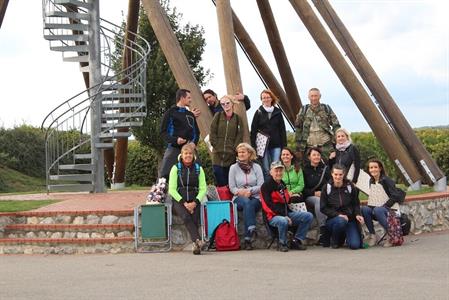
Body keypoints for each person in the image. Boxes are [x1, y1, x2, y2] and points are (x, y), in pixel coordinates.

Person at [261, 161, 313, 252]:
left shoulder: (282, 184)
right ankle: (282, 243)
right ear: (271, 172)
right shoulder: (266, 186)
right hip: (272, 216)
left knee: (308, 216)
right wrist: (283, 215)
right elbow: (267, 205)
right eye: (276, 171)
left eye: (280, 171)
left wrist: (292, 196)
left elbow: (286, 201)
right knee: (283, 220)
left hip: (286, 213)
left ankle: (296, 240)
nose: (278, 173)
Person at [168, 143, 207, 255]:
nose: (188, 155)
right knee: (186, 216)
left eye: (190, 153)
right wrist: (184, 203)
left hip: (195, 199)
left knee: (194, 218)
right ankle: (198, 241)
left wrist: (195, 202)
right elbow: (172, 189)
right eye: (186, 153)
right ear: (182, 155)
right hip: (179, 200)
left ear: (193, 155)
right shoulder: (175, 168)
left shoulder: (199, 169)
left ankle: (196, 245)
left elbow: (203, 188)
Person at [361, 159, 405, 247]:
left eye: (375, 167)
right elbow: (374, 197)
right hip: (378, 209)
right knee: (365, 209)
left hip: (391, 209)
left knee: (378, 210)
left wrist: (384, 206)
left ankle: (391, 236)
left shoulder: (386, 180)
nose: (373, 169)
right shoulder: (371, 181)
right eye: (371, 168)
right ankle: (373, 235)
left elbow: (395, 196)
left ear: (380, 168)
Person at [228, 143, 264, 250]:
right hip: (239, 198)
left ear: (249, 153)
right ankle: (251, 231)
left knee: (249, 205)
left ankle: (248, 239)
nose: (241, 154)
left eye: (243, 152)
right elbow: (232, 187)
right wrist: (241, 192)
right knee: (246, 203)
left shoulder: (256, 167)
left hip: (255, 197)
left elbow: (261, 185)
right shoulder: (233, 168)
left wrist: (250, 191)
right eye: (239, 152)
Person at [320, 164, 364, 249]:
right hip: (334, 220)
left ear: (344, 175)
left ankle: (347, 236)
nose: (338, 177)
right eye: (336, 174)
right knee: (341, 221)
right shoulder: (327, 187)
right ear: (332, 174)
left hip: (350, 219)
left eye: (340, 174)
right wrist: (338, 215)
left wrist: (358, 214)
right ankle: (335, 240)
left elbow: (356, 203)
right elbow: (323, 208)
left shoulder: (350, 186)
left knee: (355, 245)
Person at [159, 89, 200, 181]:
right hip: (173, 148)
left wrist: (194, 143)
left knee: (198, 173)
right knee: (164, 176)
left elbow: (196, 132)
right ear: (182, 98)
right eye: (188, 97)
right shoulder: (170, 113)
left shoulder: (190, 114)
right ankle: (159, 195)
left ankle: (195, 194)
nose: (190, 100)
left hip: (189, 148)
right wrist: (175, 140)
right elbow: (163, 132)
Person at [294, 87, 341, 162]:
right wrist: (299, 147)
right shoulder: (304, 109)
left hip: (326, 146)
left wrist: (337, 141)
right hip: (309, 146)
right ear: (308, 97)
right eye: (312, 96)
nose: (314, 98)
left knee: (329, 168)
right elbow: (298, 128)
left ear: (320, 96)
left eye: (316, 96)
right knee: (309, 169)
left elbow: (336, 125)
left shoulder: (326, 108)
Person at [250, 89, 287, 178]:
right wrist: (253, 146)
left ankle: (276, 188)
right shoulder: (258, 112)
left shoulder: (277, 112)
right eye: (264, 98)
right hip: (263, 145)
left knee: (276, 167)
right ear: (261, 100)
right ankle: (268, 189)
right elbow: (253, 129)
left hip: (276, 144)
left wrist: (284, 146)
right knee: (266, 168)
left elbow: (282, 129)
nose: (266, 99)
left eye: (268, 97)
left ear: (271, 98)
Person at [209, 95, 244, 186]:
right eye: (223, 104)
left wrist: (233, 149)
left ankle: (230, 200)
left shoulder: (237, 119)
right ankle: (222, 199)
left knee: (229, 181)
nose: (225, 105)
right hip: (217, 154)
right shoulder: (218, 116)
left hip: (231, 155)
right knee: (218, 177)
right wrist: (216, 145)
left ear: (232, 103)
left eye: (227, 103)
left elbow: (239, 136)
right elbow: (212, 132)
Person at [302, 147, 330, 244]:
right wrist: (314, 193)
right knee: (318, 201)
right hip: (310, 197)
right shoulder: (304, 170)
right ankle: (323, 229)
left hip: (325, 195)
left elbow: (330, 183)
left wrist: (324, 193)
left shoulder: (325, 169)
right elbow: (302, 189)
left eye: (318, 155)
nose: (316, 157)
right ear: (309, 157)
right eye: (314, 155)